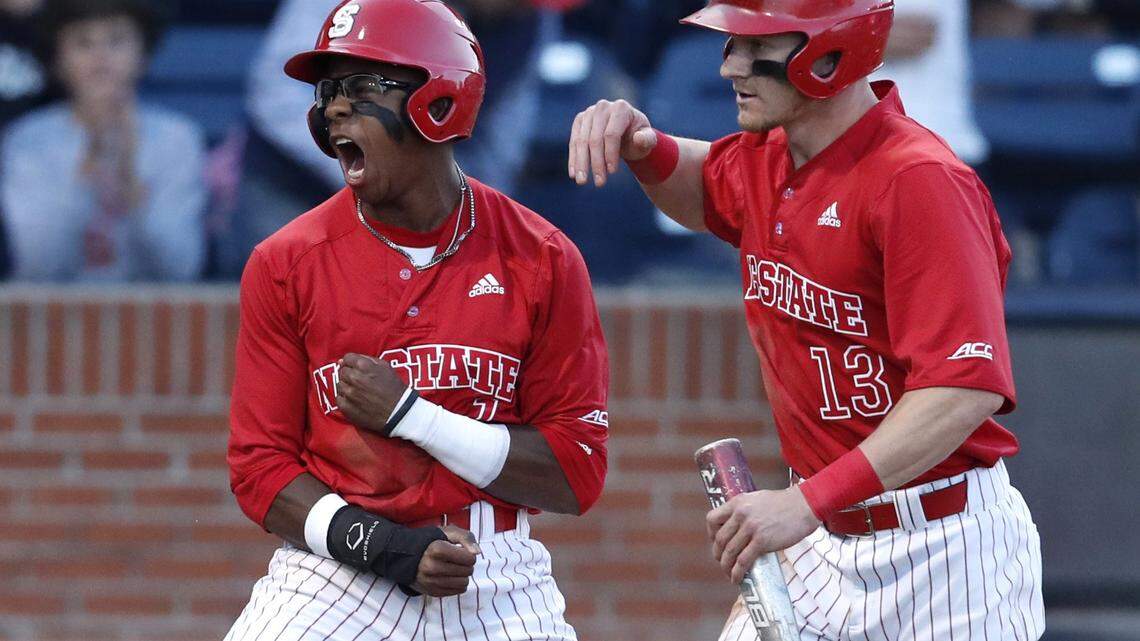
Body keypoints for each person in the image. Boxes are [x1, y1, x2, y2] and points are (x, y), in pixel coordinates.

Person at [568, 1, 1044, 639]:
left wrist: (805, 503)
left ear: (831, 52)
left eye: (753, 45)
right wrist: (645, 148)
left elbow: (962, 389)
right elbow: (708, 187)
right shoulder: (773, 155)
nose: (730, 65)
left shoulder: (918, 180)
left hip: (942, 546)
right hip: (822, 537)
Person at [225, 1, 609, 639]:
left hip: (497, 571)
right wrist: (384, 546)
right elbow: (259, 469)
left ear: (439, 104)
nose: (335, 109)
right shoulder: (285, 262)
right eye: (328, 91)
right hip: (337, 569)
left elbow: (575, 475)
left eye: (362, 87)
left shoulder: (541, 257)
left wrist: (413, 418)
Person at [0, 0, 206, 282]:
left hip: (150, 319)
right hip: (54, 319)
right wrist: (82, 174)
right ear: (58, 61)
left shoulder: (177, 139)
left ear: (143, 54)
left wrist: (132, 182)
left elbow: (179, 269)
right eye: (83, 43)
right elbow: (36, 267)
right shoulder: (28, 140)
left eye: (116, 40)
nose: (101, 58)